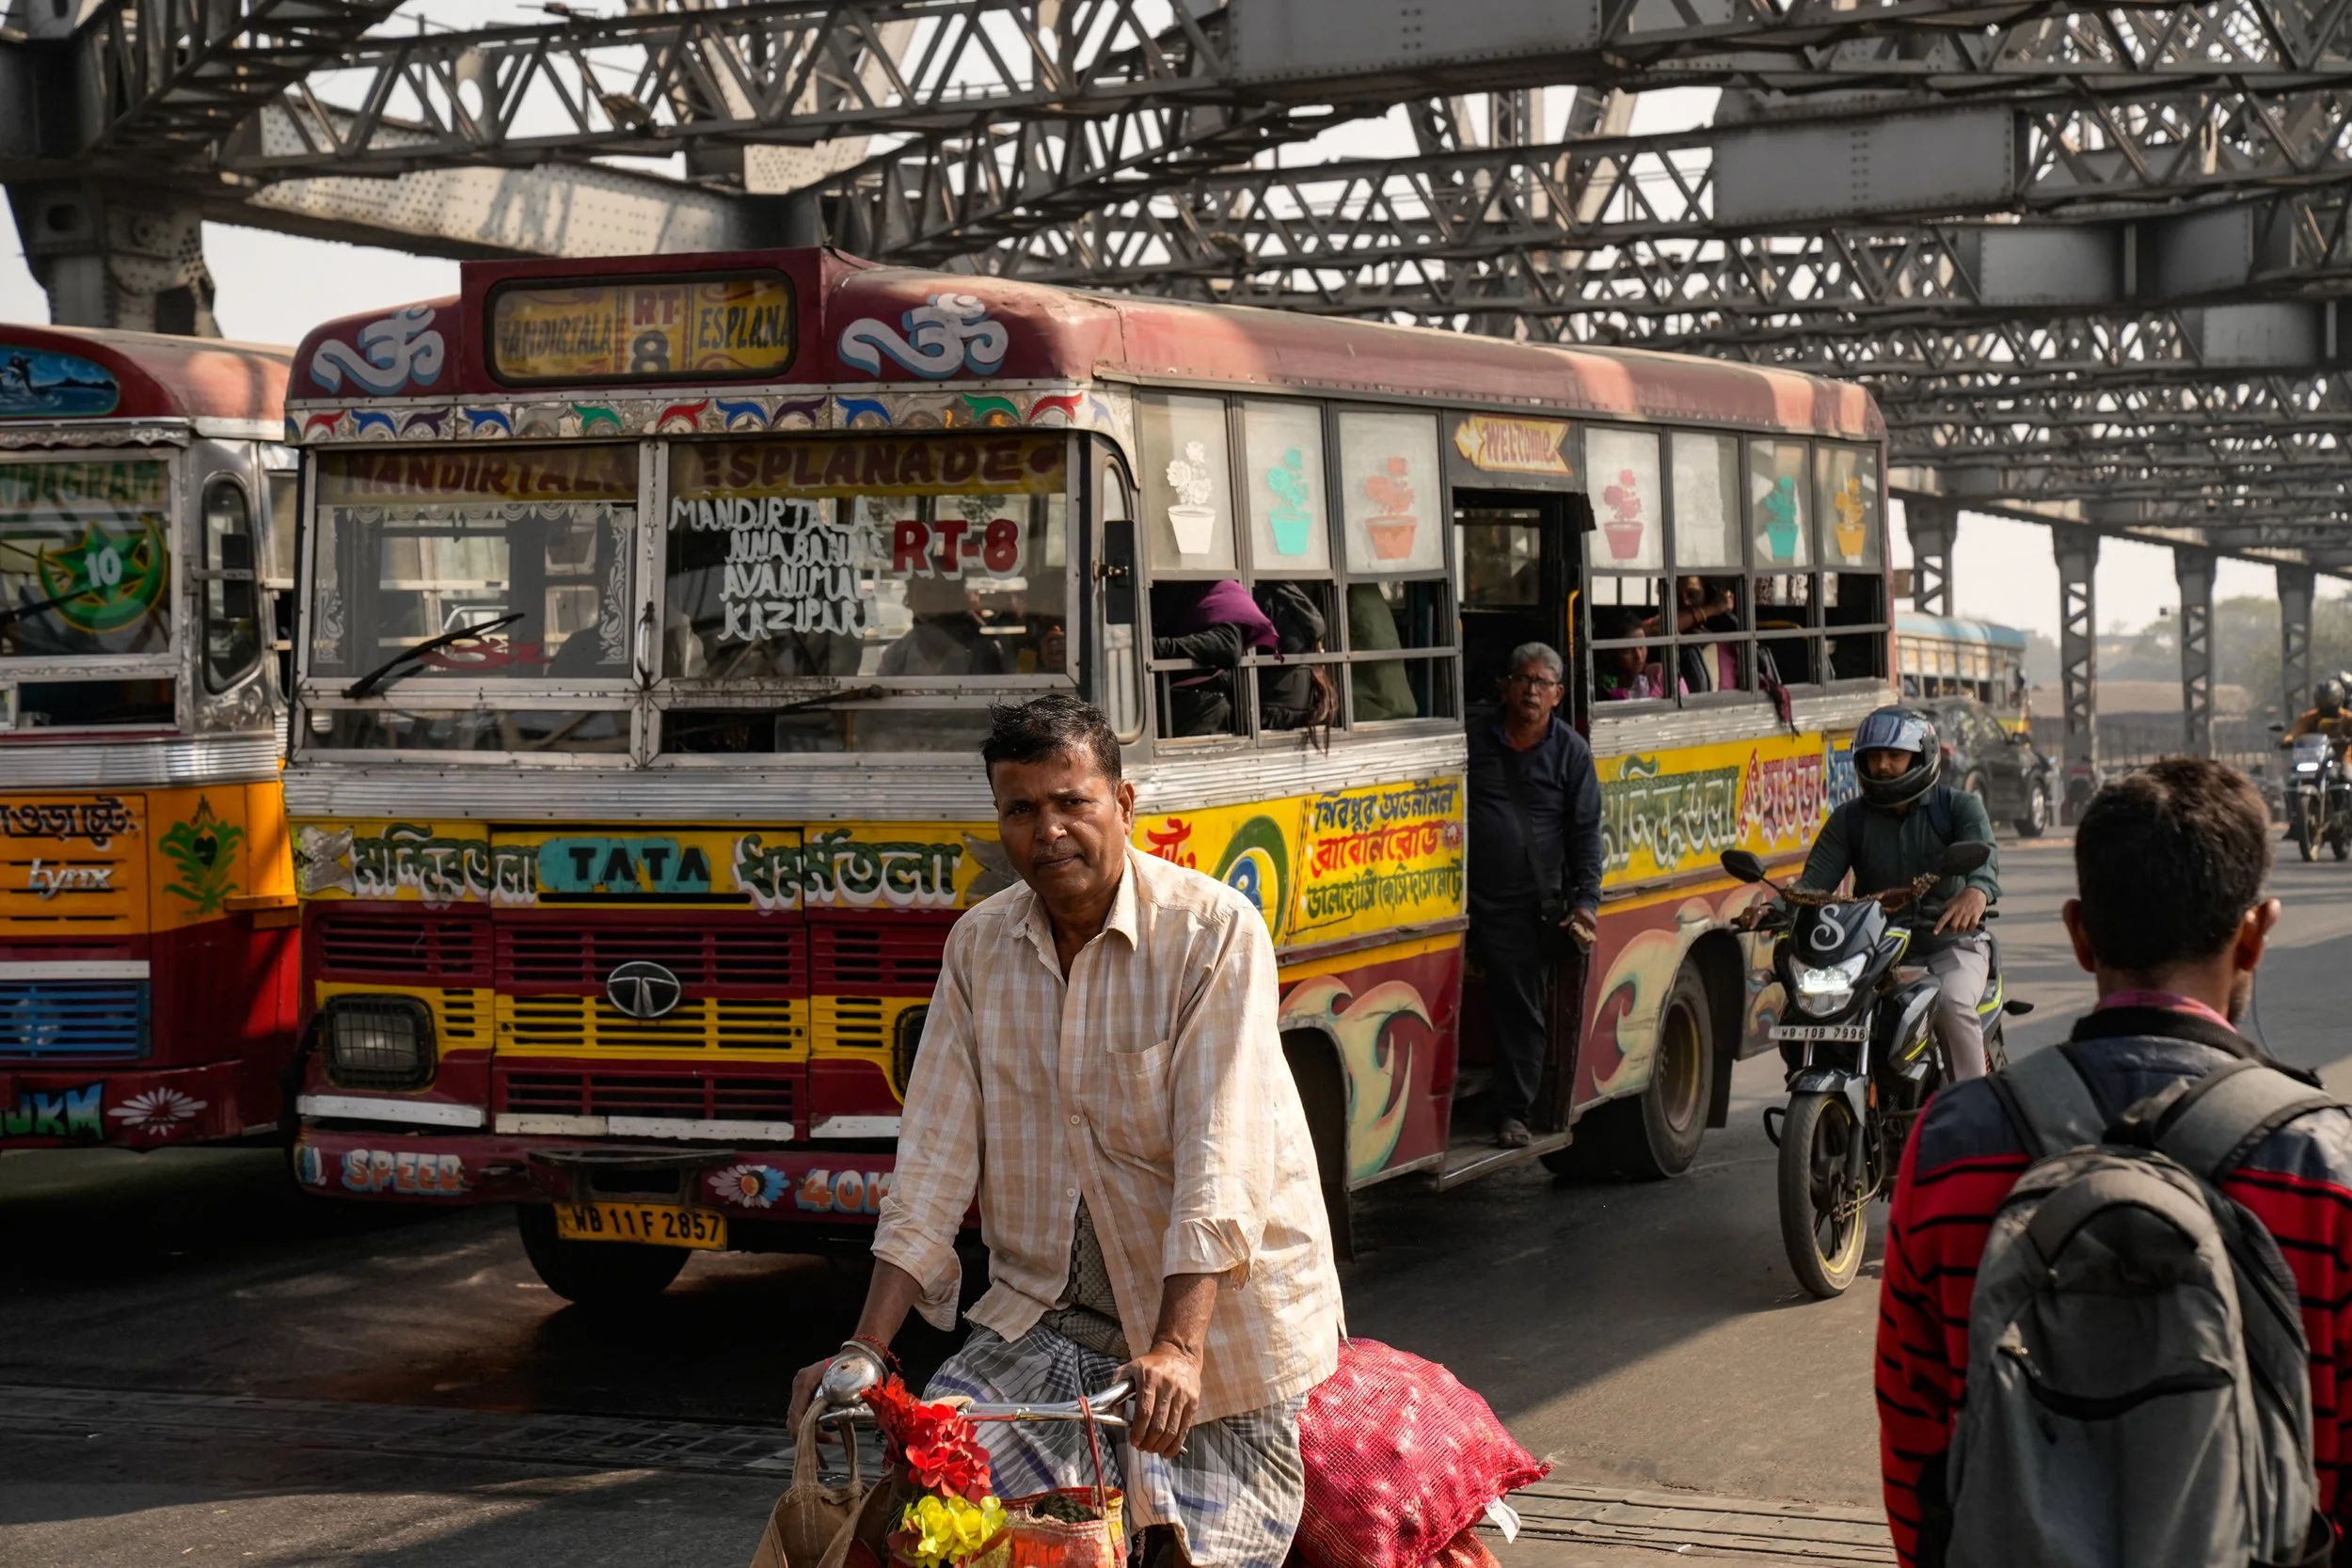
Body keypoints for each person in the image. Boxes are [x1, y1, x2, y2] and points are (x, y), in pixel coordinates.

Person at [787, 694, 1343, 1568]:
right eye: (1021, 809)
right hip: (1048, 1324)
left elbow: (1219, 1160)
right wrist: (866, 1345)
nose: (1048, 830)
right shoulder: (978, 947)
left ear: (1123, 803)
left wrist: (1178, 1348)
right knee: (926, 1526)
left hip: (1215, 1342)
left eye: (1071, 801)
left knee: (1193, 1558)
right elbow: (930, 1161)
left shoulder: (1212, 934)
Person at [1877, 757, 2352, 1566]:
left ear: (2079, 932)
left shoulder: (1952, 1144)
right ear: (2256, 932)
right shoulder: (2322, 1165)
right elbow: (2335, 1456)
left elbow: (1916, 1437)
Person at [1795, 705, 1998, 1080]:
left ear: (1921, 757)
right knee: (1821, 1008)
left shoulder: (1958, 807)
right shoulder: (1850, 819)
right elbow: (1813, 883)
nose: (1883, 766)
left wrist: (1976, 892)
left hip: (1948, 944)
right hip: (1873, 951)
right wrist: (1779, 906)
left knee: (1952, 1004)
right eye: (1874, 757)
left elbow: (1983, 857)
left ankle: (1974, 1120)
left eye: (1895, 756)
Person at [1465, 642, 1604, 1148]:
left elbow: (1586, 834)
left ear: (1558, 695)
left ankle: (1513, 1113)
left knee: (1520, 1007)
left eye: (1543, 683)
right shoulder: (1473, 740)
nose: (1531, 690)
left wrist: (1585, 902)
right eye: (1523, 679)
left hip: (1527, 906)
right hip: (1464, 899)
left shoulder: (1571, 753)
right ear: (1504, 687)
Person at [1151, 579, 1278, 736]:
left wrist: (1156, 647)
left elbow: (1228, 645)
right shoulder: (1170, 588)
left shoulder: (1217, 588)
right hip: (1172, 704)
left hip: (1202, 709)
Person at [881, 573, 1006, 677]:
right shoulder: (896, 655)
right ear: (910, 597)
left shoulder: (982, 651)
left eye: (945, 590)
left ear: (958, 598)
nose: (934, 598)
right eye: (926, 589)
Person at [2281, 674, 2351, 742]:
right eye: (2323, 710)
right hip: (2316, 752)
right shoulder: (2309, 718)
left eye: (2331, 709)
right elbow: (2296, 732)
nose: (2327, 714)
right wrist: (2287, 740)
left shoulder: (2348, 717)